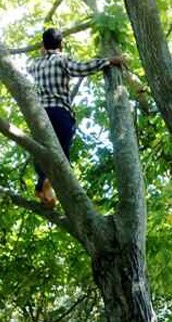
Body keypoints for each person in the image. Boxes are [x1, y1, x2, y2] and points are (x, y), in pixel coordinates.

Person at [26, 28, 123, 207]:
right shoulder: (61, 59)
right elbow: (80, 68)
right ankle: (50, 185)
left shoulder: (34, 65)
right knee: (62, 154)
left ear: (43, 45)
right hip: (60, 113)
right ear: (61, 44)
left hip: (40, 115)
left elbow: (29, 70)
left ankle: (42, 185)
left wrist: (43, 52)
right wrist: (108, 61)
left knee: (41, 150)